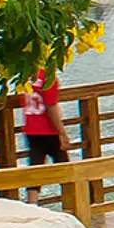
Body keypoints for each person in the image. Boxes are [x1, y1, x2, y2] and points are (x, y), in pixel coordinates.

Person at [17, 70, 71, 204]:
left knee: (35, 167)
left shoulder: (28, 76)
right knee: (65, 168)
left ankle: (32, 204)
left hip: (32, 128)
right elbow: (51, 106)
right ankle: (73, 202)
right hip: (49, 129)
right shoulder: (48, 78)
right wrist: (62, 132)